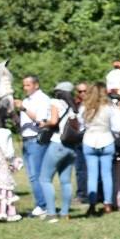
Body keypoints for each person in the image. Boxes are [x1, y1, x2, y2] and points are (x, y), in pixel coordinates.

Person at [38, 81, 83, 221]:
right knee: (66, 181)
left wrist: (42, 124)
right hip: (71, 147)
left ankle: (51, 213)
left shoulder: (55, 102)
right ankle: (65, 213)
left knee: (45, 179)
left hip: (58, 144)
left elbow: (53, 121)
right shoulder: (74, 107)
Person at [13, 74, 52, 218]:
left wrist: (23, 108)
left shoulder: (42, 99)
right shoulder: (27, 100)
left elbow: (40, 120)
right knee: (31, 175)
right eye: (24, 85)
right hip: (26, 139)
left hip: (37, 139)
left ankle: (43, 205)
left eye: (28, 85)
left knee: (37, 175)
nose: (25, 88)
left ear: (36, 85)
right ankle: (40, 204)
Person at [81, 83, 116, 214]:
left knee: (92, 176)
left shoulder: (85, 107)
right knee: (107, 175)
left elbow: (81, 124)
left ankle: (92, 203)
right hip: (106, 139)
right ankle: (108, 203)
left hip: (89, 141)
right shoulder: (109, 107)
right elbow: (115, 125)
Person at [73, 82, 89, 203]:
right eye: (80, 91)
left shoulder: (93, 105)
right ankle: (82, 193)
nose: (82, 94)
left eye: (85, 91)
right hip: (78, 139)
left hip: (90, 137)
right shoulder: (75, 105)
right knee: (80, 168)